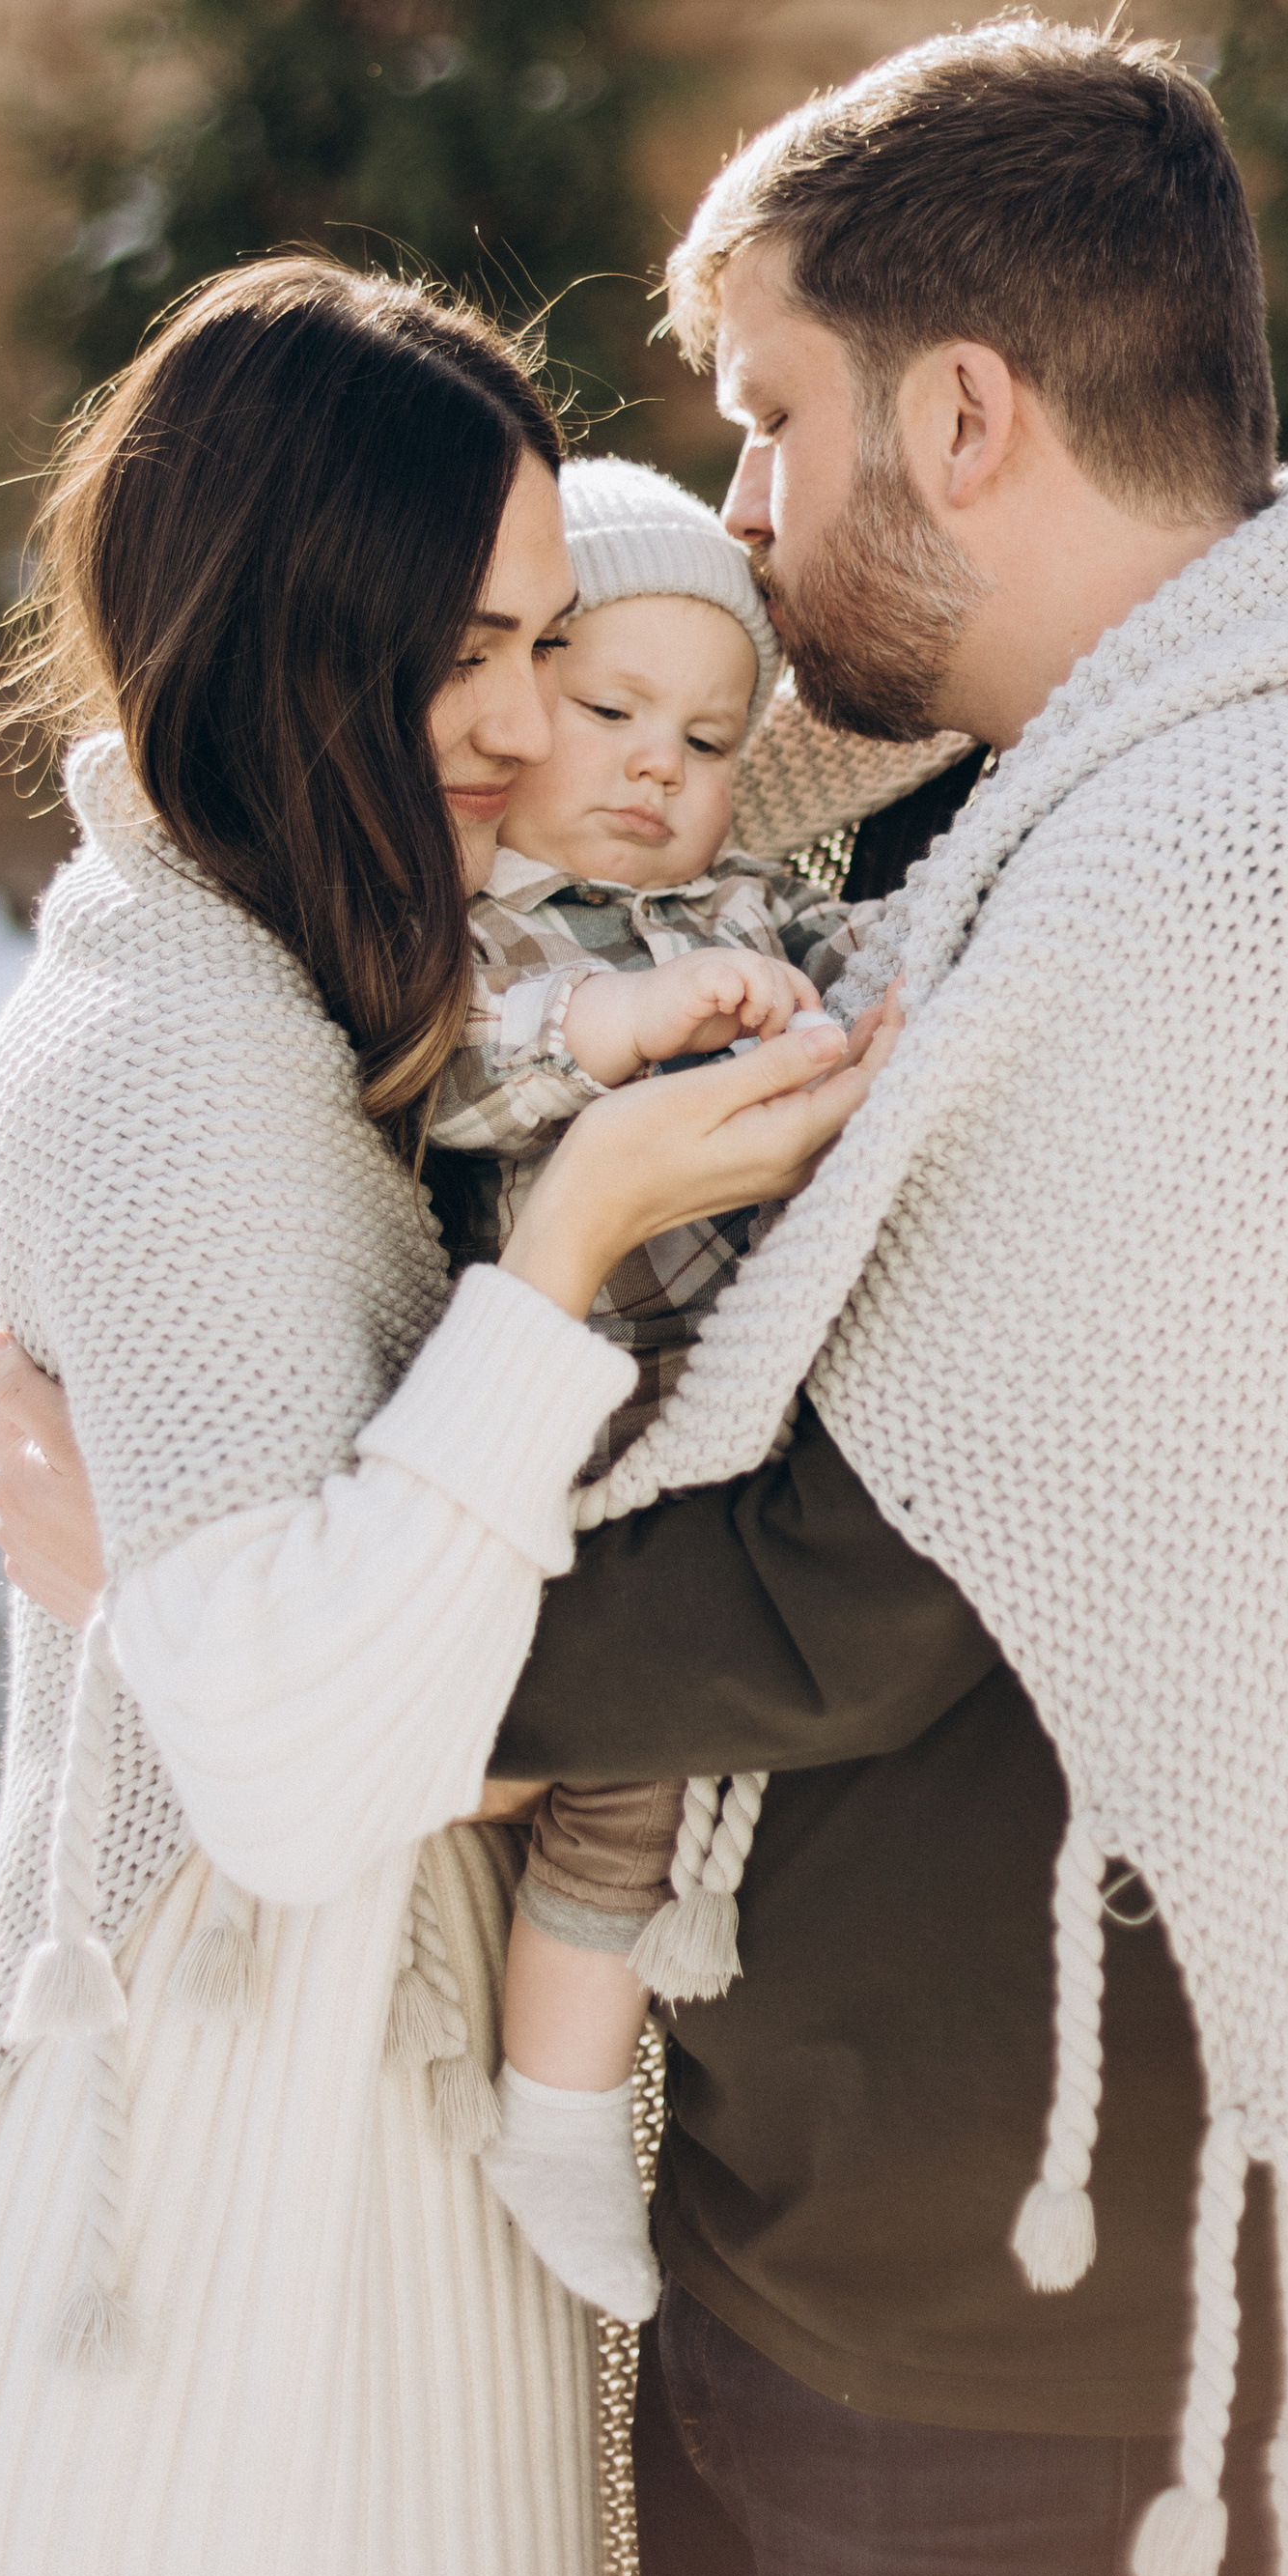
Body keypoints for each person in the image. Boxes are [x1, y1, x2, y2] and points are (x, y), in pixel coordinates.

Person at [0, 19, 1288, 2576]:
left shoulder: (1251, 861)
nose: (717, 508)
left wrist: (302, 1641)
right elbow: (562, 732)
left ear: (963, 416)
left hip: (1027, 2323)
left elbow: (881, 1570)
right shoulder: (1083, 790)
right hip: (840, 2219)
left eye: (763, 416)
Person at [0, 255, 884, 2576]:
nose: (535, 724)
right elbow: (297, 1753)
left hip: (357, 2161)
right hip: (215, 2222)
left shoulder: (343, 981)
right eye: (476, 647)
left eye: (548, 638)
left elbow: (343, 1613)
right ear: (299, 620)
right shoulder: (169, 1044)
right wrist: (582, 1239)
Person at [427, 455, 902, 2332]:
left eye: (706, 741)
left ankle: (579, 2092)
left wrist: (861, 980)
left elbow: (838, 968)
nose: (653, 767)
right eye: (609, 712)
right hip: (570, 1438)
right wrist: (594, 1030)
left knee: (658, 1787)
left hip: (726, 1435)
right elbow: (451, 1073)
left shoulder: (721, 906)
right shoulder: (474, 927)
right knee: (601, 1781)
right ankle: (551, 2117)